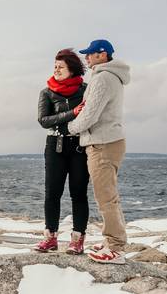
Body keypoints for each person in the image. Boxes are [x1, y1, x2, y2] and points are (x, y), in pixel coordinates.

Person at [67, 39, 131, 265]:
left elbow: (90, 114)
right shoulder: (111, 76)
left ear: (103, 55)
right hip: (108, 141)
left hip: (102, 143)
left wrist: (71, 127)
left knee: (105, 196)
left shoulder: (103, 78)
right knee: (109, 194)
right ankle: (114, 241)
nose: (87, 58)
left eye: (91, 54)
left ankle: (115, 247)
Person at [35, 49, 90, 254]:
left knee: (79, 193)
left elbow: (90, 115)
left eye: (61, 67)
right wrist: (72, 113)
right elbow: (43, 120)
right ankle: (50, 238)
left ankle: (77, 239)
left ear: (72, 69)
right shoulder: (47, 92)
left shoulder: (86, 89)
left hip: (79, 146)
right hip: (54, 146)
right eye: (55, 67)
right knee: (52, 194)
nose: (56, 70)